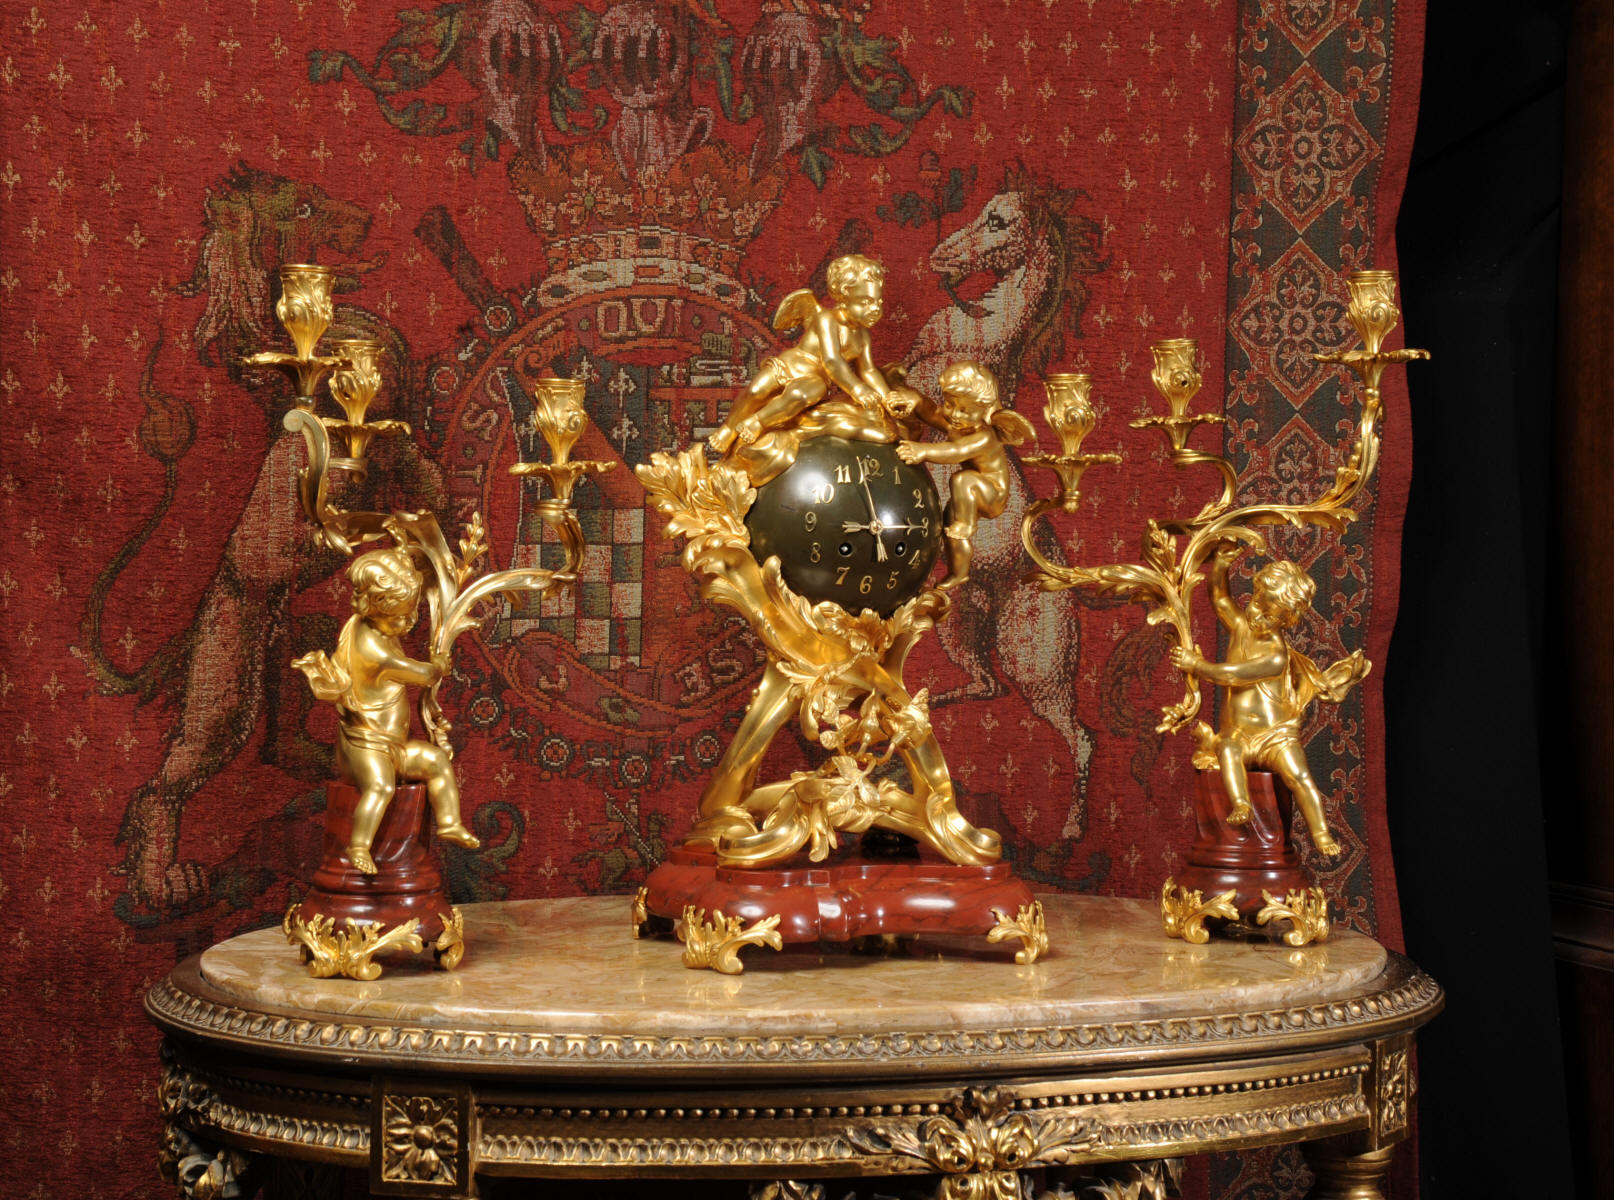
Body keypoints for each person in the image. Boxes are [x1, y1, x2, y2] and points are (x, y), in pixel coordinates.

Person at [1169, 547, 1369, 857]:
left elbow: (1232, 675)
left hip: (1276, 736)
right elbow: (1220, 598)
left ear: (1288, 618)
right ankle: (1241, 804)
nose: (1257, 611)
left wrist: (1197, 665)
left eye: (1269, 611)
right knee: (1227, 750)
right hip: (1238, 734)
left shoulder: (1276, 655)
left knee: (1298, 776)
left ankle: (1321, 833)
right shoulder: (1241, 627)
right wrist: (1221, 564)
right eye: (1257, 600)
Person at [294, 546, 480, 874]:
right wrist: (438, 663)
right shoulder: (376, 653)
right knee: (381, 787)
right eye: (399, 618)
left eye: (411, 614)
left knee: (436, 761)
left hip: (393, 747)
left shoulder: (361, 623)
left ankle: (449, 823)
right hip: (364, 749)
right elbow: (425, 675)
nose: (407, 623)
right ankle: (359, 846)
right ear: (372, 607)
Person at [710, 255, 914, 482]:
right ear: (844, 296)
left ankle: (757, 421)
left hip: (817, 378)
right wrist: (858, 389)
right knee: (756, 390)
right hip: (791, 364)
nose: (875, 309)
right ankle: (728, 428)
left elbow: (868, 371)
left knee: (799, 396)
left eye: (878, 302)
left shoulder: (863, 336)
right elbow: (832, 360)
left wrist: (887, 396)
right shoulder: (827, 319)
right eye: (865, 302)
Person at [895, 361, 1032, 588]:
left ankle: (966, 524)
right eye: (950, 404)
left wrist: (923, 451)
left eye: (965, 410)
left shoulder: (984, 437)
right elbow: (932, 412)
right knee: (949, 524)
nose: (955, 414)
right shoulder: (958, 423)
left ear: (985, 410)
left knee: (961, 479)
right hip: (968, 494)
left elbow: (956, 451)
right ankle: (959, 572)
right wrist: (915, 400)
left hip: (992, 493)